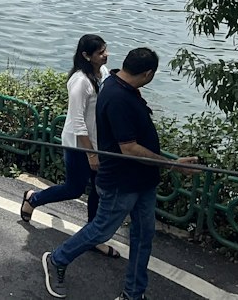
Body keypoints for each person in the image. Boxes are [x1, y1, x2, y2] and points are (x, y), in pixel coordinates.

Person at [41, 47, 199, 300]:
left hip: (143, 180)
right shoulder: (117, 97)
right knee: (101, 230)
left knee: (143, 234)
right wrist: (172, 164)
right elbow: (129, 148)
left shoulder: (118, 83)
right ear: (148, 73)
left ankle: (133, 293)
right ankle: (57, 259)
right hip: (121, 181)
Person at [21, 34, 119, 258]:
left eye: (106, 50)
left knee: (98, 191)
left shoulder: (101, 73)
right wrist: (91, 155)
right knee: (74, 188)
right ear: (86, 56)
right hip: (79, 146)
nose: (106, 55)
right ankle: (32, 199)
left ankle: (94, 236)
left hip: (98, 144)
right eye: (101, 52)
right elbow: (77, 122)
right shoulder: (80, 81)